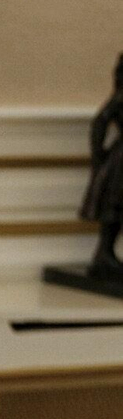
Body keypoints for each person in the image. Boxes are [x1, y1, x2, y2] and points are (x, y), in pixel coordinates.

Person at [80, 52, 123, 278]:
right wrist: (99, 155)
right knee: (113, 207)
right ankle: (104, 254)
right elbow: (100, 122)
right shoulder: (120, 97)